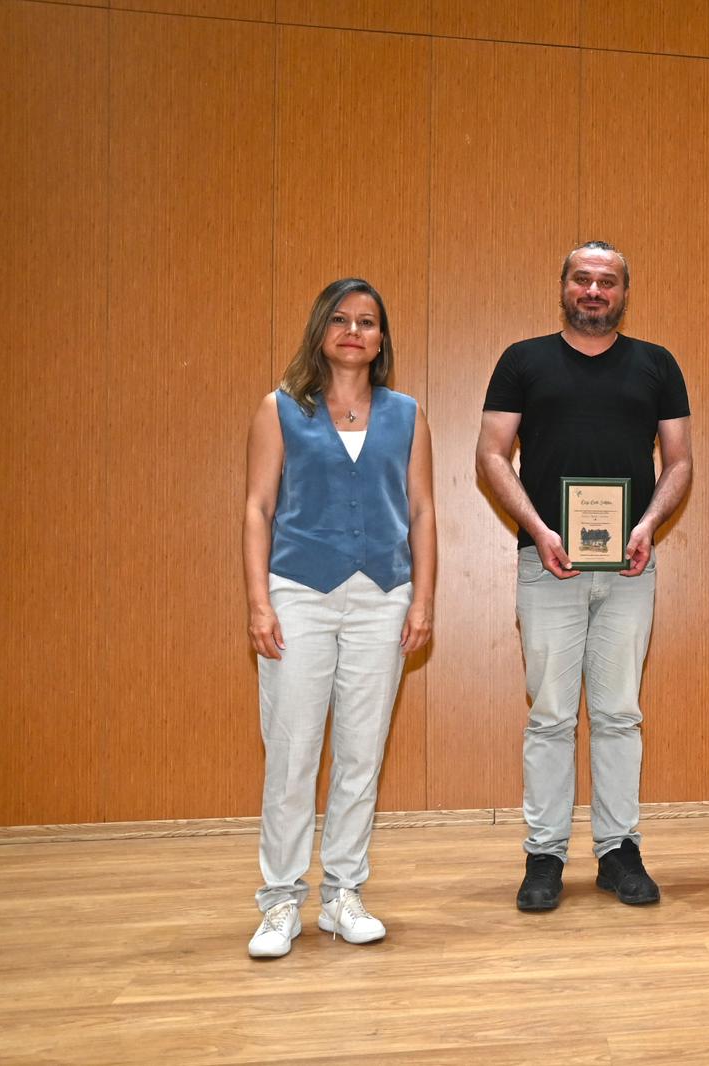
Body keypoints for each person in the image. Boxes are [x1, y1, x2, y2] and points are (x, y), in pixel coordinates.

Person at [476, 240, 692, 912]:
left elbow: (680, 462)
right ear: (563, 285)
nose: (594, 291)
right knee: (550, 717)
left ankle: (618, 851)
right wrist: (540, 531)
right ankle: (544, 856)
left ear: (625, 291)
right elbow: (490, 453)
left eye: (607, 282)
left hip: (629, 568)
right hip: (548, 568)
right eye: (582, 280)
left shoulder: (657, 365)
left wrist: (647, 525)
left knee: (621, 714)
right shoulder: (522, 361)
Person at [242, 277, 437, 958]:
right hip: (299, 592)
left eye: (369, 322)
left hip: (381, 597)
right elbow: (258, 509)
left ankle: (344, 894)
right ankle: (280, 902)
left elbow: (421, 512)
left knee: (361, 751)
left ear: (382, 338)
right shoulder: (280, 409)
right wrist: (259, 601)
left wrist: (423, 598)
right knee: (292, 752)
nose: (355, 332)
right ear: (321, 328)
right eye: (343, 320)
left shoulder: (408, 414)